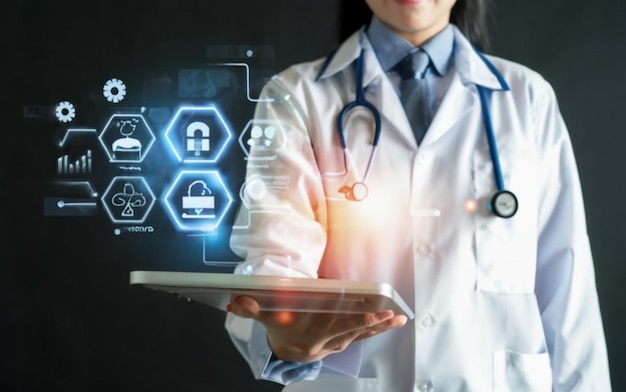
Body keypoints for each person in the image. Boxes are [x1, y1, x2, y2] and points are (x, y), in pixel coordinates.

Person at [225, 0, 612, 390]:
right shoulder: (297, 96)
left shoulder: (528, 98)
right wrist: (283, 333)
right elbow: (276, 260)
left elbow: (567, 286)